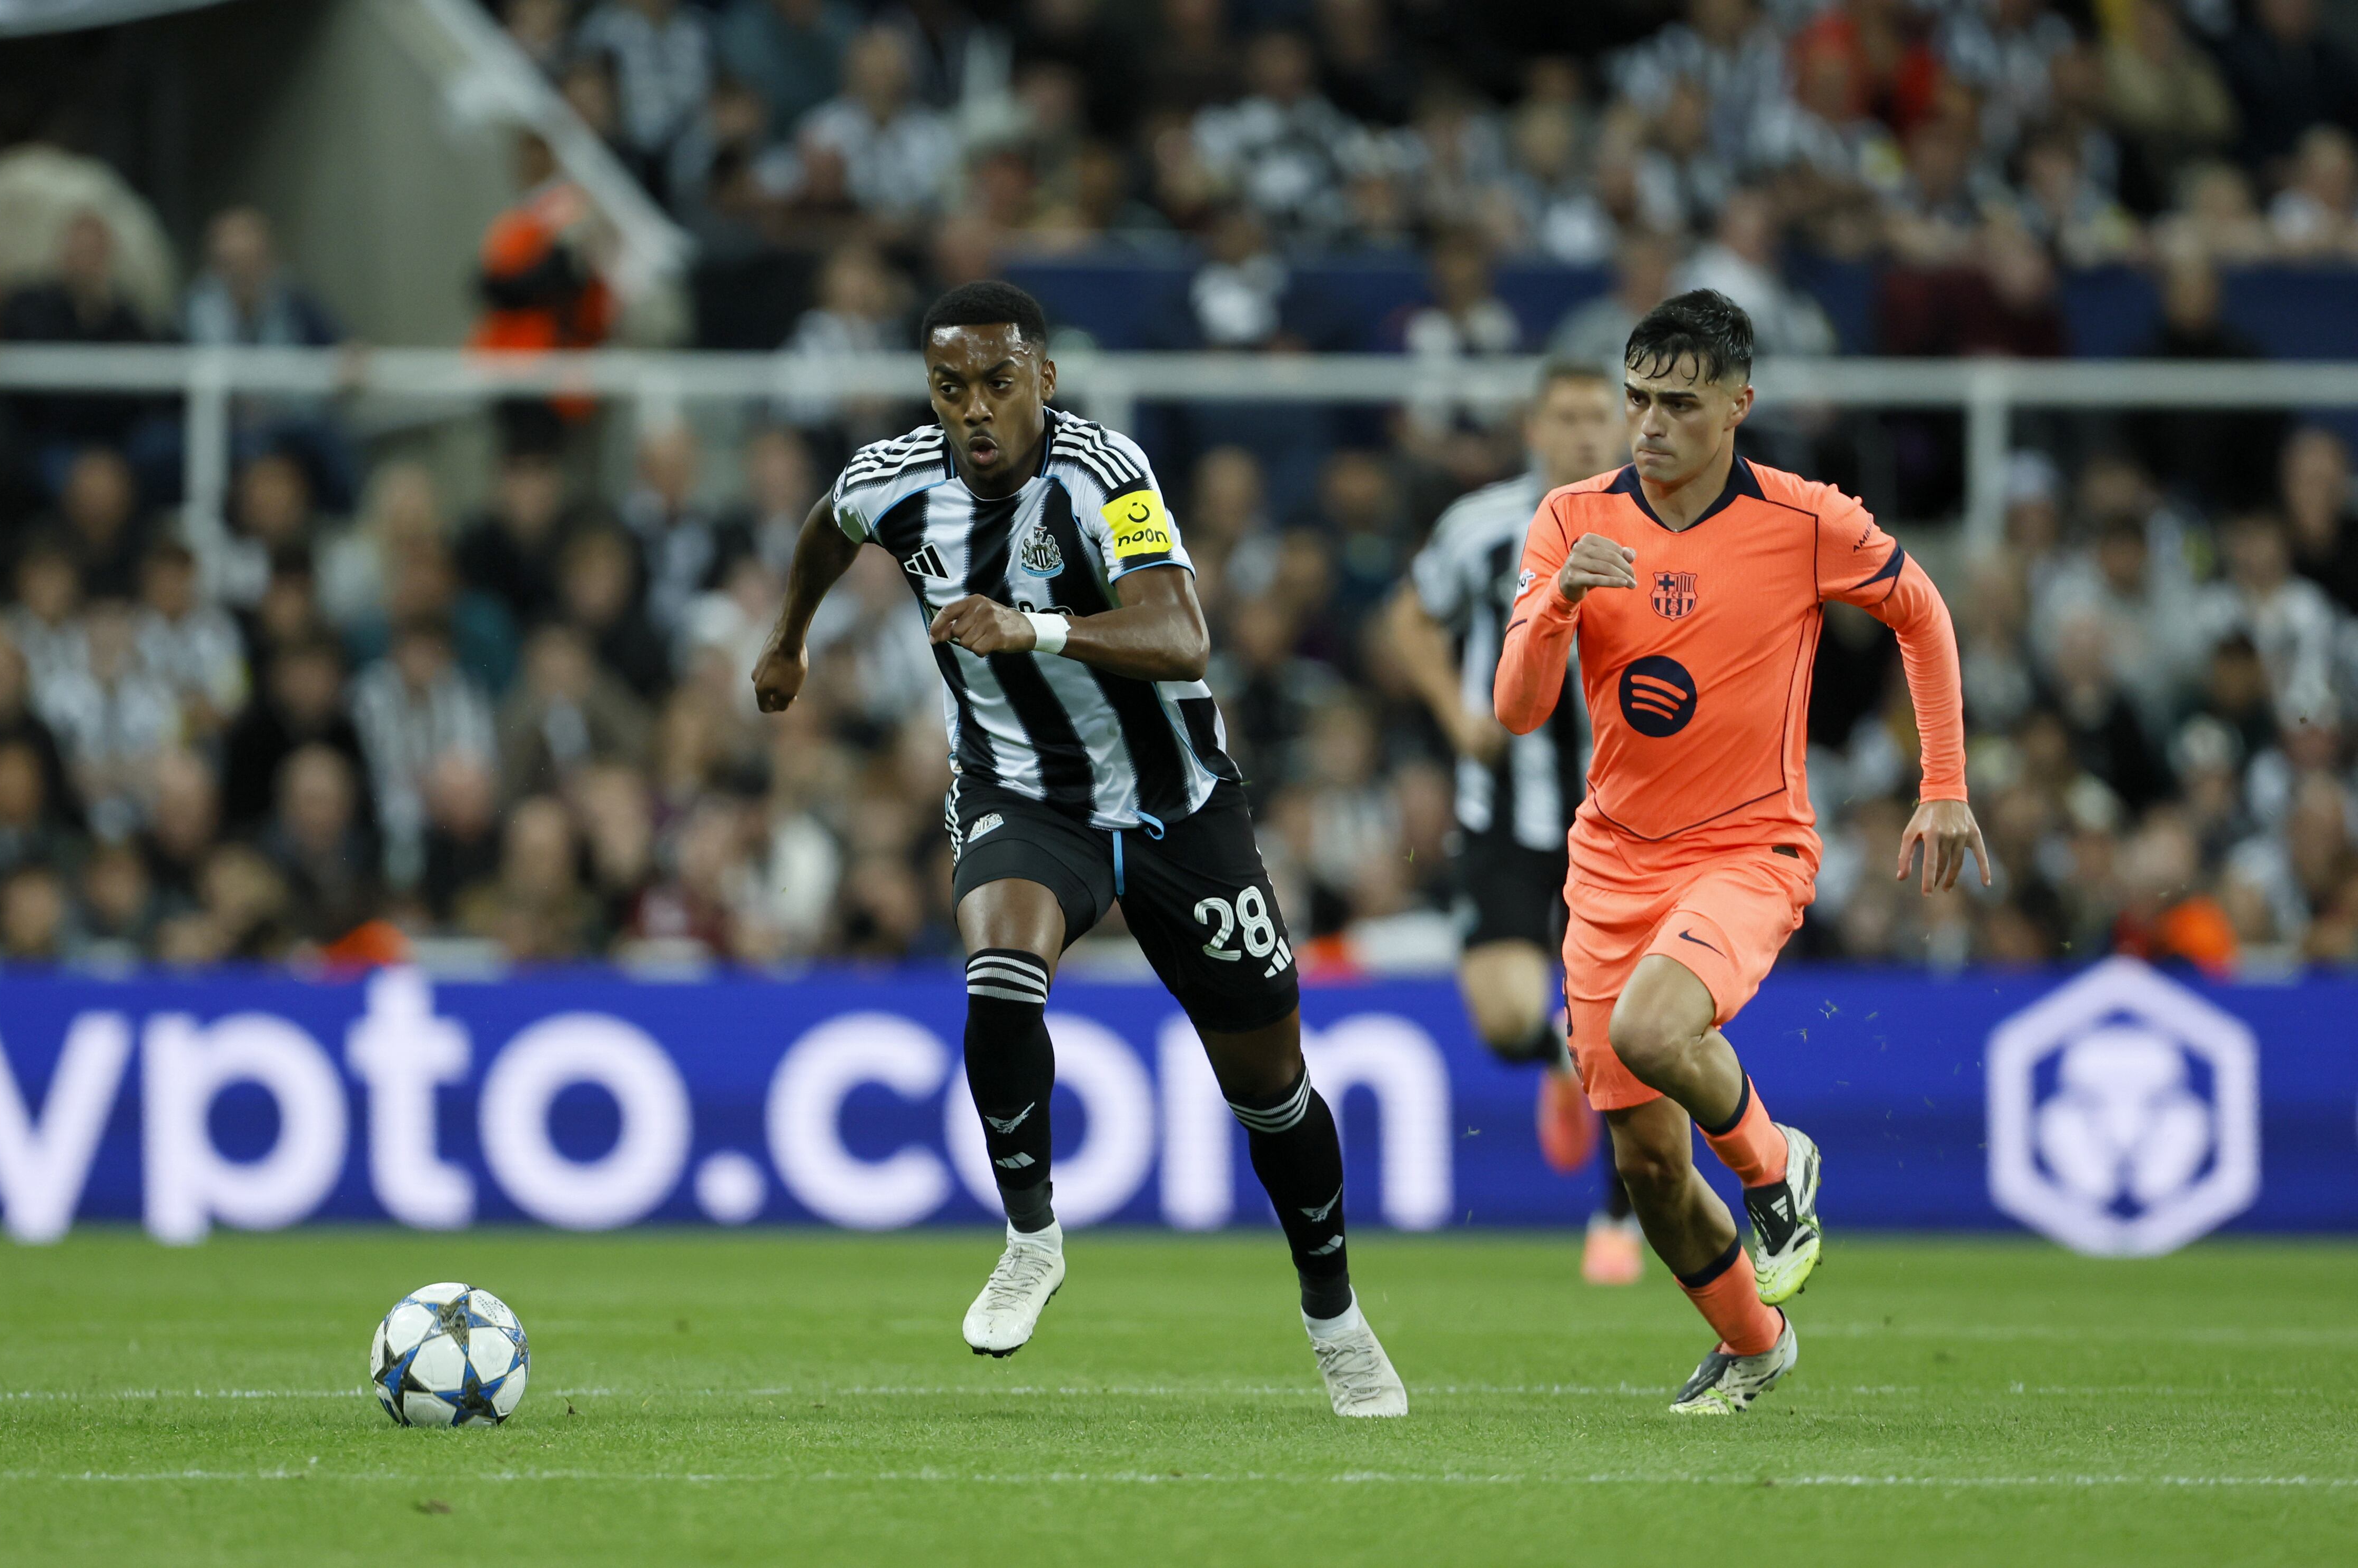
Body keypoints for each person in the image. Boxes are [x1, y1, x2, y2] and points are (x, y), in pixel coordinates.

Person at [752, 281, 1406, 1418]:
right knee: (999, 971)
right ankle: (1031, 1234)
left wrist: (1034, 625)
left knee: (1268, 1087)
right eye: (950, 387)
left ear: (1043, 381)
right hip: (1021, 795)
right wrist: (786, 642)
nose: (974, 410)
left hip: (1175, 808)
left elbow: (1184, 634)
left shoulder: (1109, 476)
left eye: (997, 383)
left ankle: (1334, 1315)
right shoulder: (893, 480)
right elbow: (826, 526)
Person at [1494, 290, 1981, 1414]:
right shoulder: (1570, 521)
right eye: (1634, 400)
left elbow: (1920, 611)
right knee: (1651, 1174)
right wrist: (1555, 605)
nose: (1647, 424)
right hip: (1609, 865)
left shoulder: (1805, 520)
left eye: (1676, 402)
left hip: (1748, 848)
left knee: (1655, 1027)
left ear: (1735, 407)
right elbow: (1516, 710)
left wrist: (1944, 784)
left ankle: (1775, 1167)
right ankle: (1755, 1347)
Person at [1383, 360, 1644, 1286]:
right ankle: (1555, 1064)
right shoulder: (1482, 526)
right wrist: (1459, 721)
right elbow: (1410, 622)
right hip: (1502, 813)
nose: (1583, 433)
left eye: (1596, 417)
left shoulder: (1658, 525)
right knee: (1501, 1020)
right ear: (1532, 428)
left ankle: (1617, 1218)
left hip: (1618, 821)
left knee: (1619, 1029)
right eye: (1564, 417)